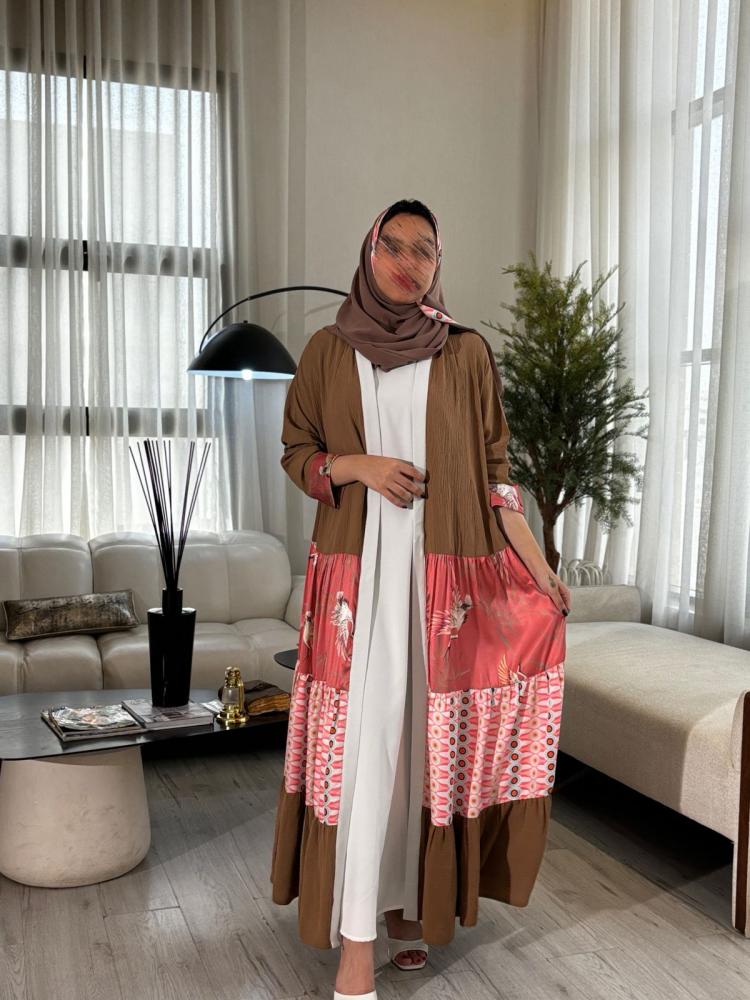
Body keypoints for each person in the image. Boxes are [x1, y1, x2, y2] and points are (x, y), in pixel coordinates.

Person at [270, 199, 570, 1000]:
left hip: (444, 587)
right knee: (366, 749)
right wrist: (360, 467)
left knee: (422, 752)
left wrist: (537, 567)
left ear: (440, 263)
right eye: (393, 246)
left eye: (425, 250)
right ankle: (355, 945)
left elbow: (496, 474)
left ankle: (406, 908)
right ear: (368, 252)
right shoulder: (328, 350)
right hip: (359, 584)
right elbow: (298, 452)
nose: (408, 262)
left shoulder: (466, 352)